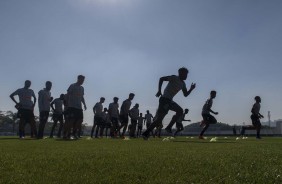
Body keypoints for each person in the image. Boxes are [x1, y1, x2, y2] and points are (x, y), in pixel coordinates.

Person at [142, 67, 196, 140]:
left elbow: (185, 94)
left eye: (187, 75)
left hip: (169, 100)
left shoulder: (183, 84)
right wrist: (159, 91)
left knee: (180, 111)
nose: (186, 76)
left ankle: (168, 127)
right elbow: (161, 79)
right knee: (159, 120)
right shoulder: (174, 78)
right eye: (185, 74)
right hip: (164, 100)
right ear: (180, 73)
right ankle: (146, 133)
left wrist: (191, 89)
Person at [67, 75, 87, 139]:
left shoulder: (82, 88)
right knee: (72, 120)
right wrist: (67, 103)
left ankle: (74, 133)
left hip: (79, 107)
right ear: (78, 79)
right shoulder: (72, 86)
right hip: (72, 106)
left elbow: (82, 97)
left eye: (83, 80)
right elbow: (68, 94)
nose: (82, 81)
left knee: (80, 120)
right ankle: (68, 134)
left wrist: (84, 104)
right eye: (81, 80)